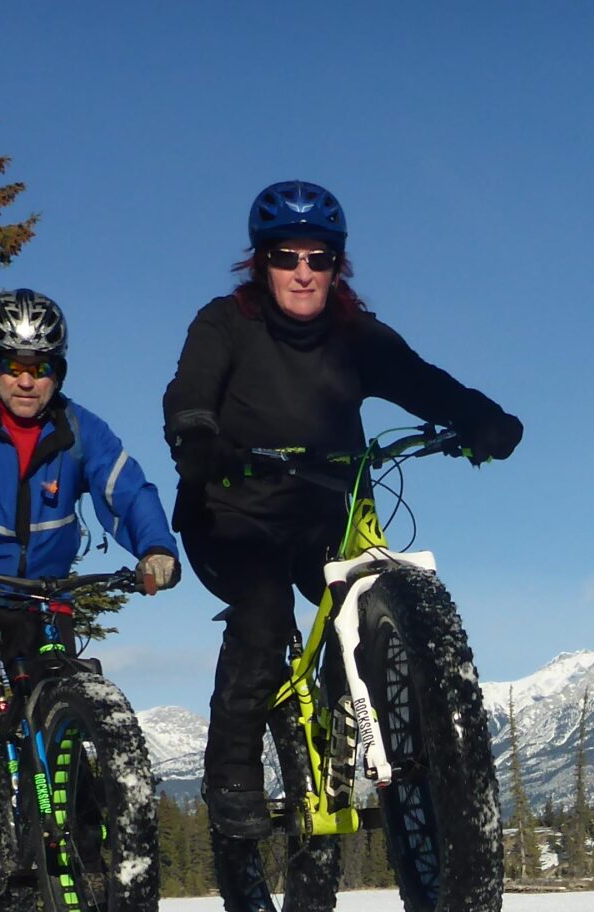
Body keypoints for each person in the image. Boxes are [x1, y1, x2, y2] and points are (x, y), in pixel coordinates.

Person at [161, 180, 522, 842]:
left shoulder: (356, 335)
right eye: (285, 256)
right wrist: (197, 438)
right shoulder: (224, 323)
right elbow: (188, 392)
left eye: (318, 258)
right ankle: (231, 773)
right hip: (232, 515)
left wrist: (481, 420)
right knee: (264, 618)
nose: (303, 272)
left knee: (368, 593)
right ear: (260, 261)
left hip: (322, 510)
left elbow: (424, 382)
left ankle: (365, 749)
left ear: (336, 265)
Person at [0, 287, 180, 862]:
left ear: (57, 372)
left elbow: (127, 489)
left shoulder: (81, 432)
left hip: (41, 595)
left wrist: (155, 549)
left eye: (40, 368)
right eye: (13, 367)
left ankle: (89, 838)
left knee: (61, 695)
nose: (26, 382)